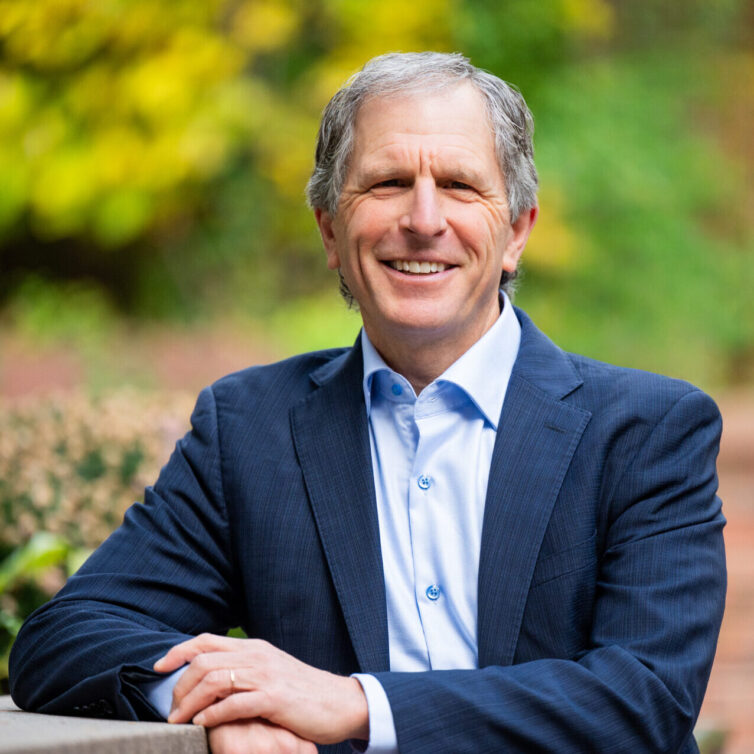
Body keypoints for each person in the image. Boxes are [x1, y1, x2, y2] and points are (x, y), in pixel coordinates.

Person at [9, 52, 726, 754]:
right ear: (330, 230)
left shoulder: (646, 431)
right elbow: (66, 636)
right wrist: (221, 697)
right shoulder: (248, 429)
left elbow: (645, 698)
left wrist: (353, 705)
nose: (423, 218)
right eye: (387, 183)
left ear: (516, 232)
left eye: (459, 185)